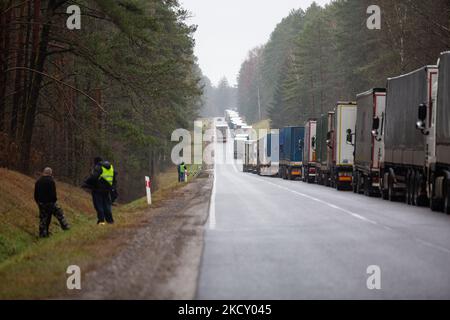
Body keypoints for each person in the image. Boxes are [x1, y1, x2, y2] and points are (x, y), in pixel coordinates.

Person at [34, 167, 70, 238]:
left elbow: (35, 194)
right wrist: (54, 201)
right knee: (60, 214)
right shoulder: (51, 181)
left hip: (41, 203)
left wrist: (38, 202)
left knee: (43, 218)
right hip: (50, 203)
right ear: (50, 173)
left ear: (44, 172)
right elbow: (53, 194)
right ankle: (66, 227)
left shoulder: (38, 181)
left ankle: (43, 234)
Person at [83, 157, 117, 225]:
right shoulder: (110, 167)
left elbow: (94, 177)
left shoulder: (98, 167)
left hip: (97, 189)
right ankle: (110, 221)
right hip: (107, 190)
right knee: (107, 205)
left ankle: (101, 221)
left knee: (99, 206)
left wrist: (86, 182)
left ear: (96, 162)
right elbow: (115, 175)